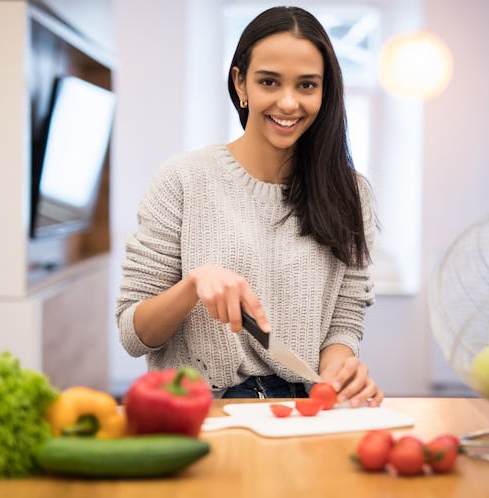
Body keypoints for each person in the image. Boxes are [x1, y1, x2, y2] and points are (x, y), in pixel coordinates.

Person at [116, 6, 383, 407]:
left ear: (325, 91)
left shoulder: (350, 192)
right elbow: (134, 335)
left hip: (303, 410)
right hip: (200, 409)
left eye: (307, 85)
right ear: (241, 83)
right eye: (269, 82)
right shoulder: (184, 179)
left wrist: (337, 375)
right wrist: (193, 285)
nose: (289, 103)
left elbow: (343, 324)